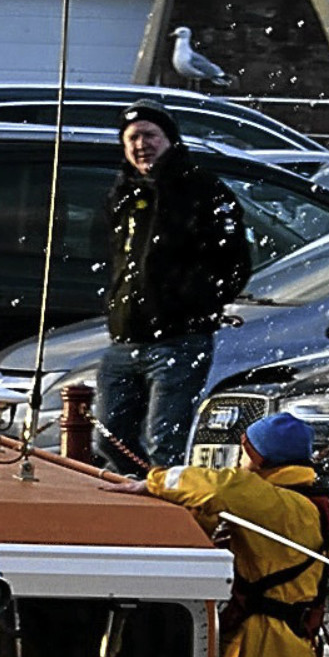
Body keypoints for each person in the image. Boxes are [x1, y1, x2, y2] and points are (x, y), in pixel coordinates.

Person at [109, 410, 329, 657]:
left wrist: (155, 482)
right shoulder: (295, 505)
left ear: (256, 456)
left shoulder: (279, 505)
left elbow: (222, 489)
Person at [94, 101, 250, 475]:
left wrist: (193, 302)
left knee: (167, 440)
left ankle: (168, 516)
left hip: (179, 339)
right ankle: (136, 503)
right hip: (126, 338)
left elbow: (235, 262)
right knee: (108, 438)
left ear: (169, 140)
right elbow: (114, 257)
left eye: (150, 135)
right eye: (132, 138)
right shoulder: (124, 192)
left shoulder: (201, 189)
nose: (141, 145)